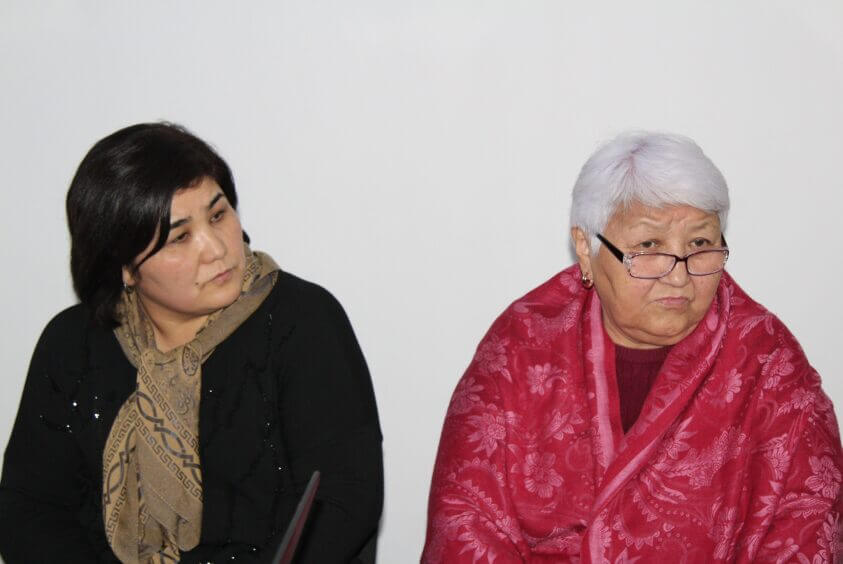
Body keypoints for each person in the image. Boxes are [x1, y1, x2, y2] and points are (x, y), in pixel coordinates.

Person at [422, 131, 843, 562]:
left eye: (699, 244)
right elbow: (464, 521)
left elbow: (807, 525)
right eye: (649, 246)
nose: (678, 276)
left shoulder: (769, 364)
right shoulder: (521, 347)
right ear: (585, 248)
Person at [0, 123, 383, 563]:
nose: (216, 248)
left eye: (218, 215)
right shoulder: (73, 345)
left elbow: (342, 502)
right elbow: (28, 509)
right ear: (124, 266)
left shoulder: (301, 321)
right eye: (180, 237)